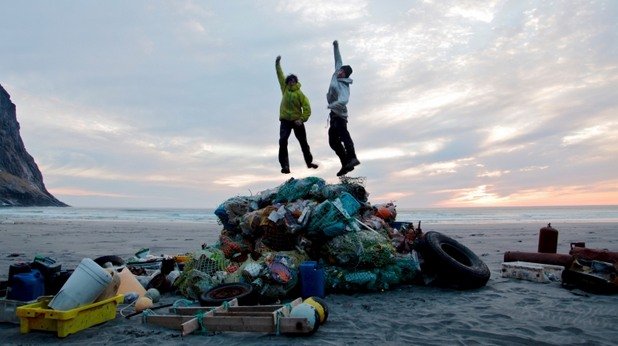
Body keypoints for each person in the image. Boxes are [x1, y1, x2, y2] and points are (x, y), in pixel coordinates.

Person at [275, 55, 318, 174]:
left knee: (303, 142)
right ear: (287, 83)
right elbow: (280, 75)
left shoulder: (300, 94)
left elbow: (307, 107)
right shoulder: (284, 89)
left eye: (293, 80)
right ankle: (285, 166)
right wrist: (277, 63)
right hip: (285, 121)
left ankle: (309, 162)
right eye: (289, 81)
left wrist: (302, 119)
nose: (291, 82)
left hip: (297, 120)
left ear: (296, 82)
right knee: (283, 141)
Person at [327, 40, 360, 176]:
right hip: (333, 114)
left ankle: (352, 157)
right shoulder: (336, 72)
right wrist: (336, 46)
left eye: (343, 73)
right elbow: (338, 59)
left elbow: (344, 100)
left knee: (343, 133)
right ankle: (345, 164)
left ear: (346, 76)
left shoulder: (344, 86)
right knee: (333, 141)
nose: (340, 73)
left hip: (340, 114)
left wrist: (333, 104)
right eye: (341, 71)